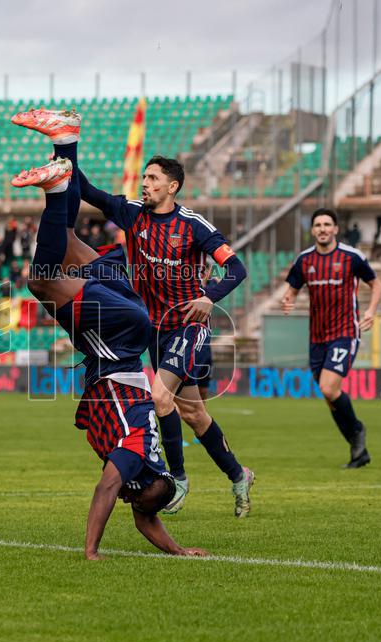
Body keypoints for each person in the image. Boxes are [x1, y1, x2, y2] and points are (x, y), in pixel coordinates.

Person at [11, 109, 208, 560]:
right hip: (117, 340)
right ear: (143, 488)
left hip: (127, 319)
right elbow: (106, 490)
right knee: (41, 282)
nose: (127, 498)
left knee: (64, 243)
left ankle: (65, 141)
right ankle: (56, 187)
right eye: (134, 497)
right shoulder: (135, 458)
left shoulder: (148, 472)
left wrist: (179, 551)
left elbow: (146, 519)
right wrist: (91, 552)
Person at [56, 119, 252, 517]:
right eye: (144, 177)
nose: (144, 184)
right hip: (154, 329)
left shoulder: (193, 226)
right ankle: (239, 475)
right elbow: (86, 190)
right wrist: (64, 148)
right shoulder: (133, 214)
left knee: (160, 397)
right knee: (193, 413)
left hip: (188, 326)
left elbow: (236, 269)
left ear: (172, 186)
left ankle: (177, 478)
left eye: (152, 179)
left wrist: (209, 298)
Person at [281, 209, 381, 468]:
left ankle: (357, 432)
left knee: (329, 388)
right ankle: (358, 450)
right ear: (313, 230)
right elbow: (292, 289)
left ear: (336, 229)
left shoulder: (351, 257)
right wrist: (288, 299)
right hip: (317, 337)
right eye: (318, 225)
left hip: (345, 332)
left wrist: (370, 311)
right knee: (329, 397)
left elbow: (377, 284)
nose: (323, 229)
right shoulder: (304, 260)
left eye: (327, 224)